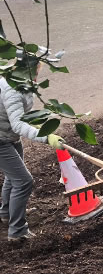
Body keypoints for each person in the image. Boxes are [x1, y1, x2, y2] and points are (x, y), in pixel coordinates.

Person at [0, 56, 65, 242]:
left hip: (7, 134)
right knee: (23, 181)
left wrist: (41, 125)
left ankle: (6, 213)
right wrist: (47, 137)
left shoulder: (23, 83)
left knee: (14, 179)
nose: (37, 74)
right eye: (36, 69)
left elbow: (21, 115)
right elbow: (18, 124)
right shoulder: (11, 88)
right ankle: (17, 231)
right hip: (1, 139)